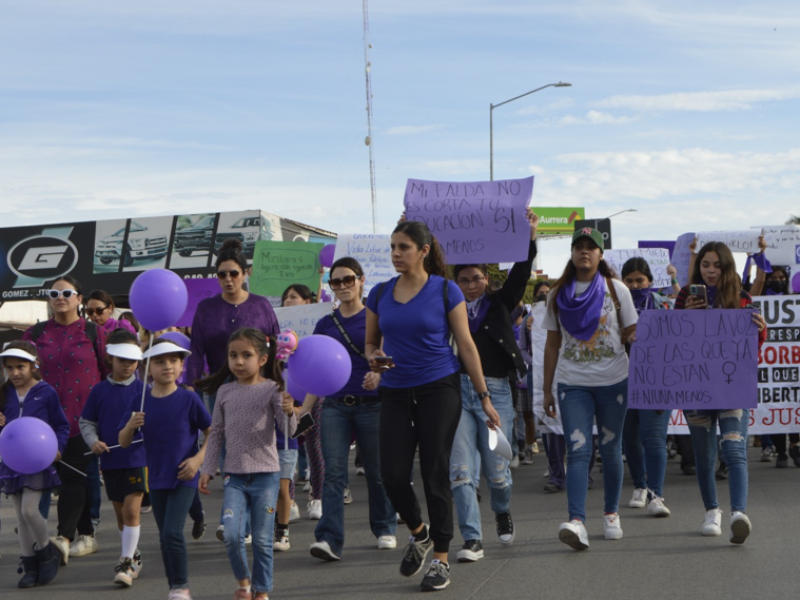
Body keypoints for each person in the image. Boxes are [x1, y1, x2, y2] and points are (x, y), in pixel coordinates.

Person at [365, 220, 500, 592]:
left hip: (438, 388)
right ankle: (420, 534)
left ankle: (440, 557)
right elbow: (370, 343)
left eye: (404, 247)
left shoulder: (446, 290)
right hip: (394, 390)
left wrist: (484, 396)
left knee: (434, 470)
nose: (396, 253)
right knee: (390, 475)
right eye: (393, 247)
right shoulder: (379, 293)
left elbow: (467, 345)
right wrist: (374, 358)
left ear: (423, 251)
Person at [448, 209, 538, 564]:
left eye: (475, 279)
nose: (470, 286)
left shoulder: (500, 303)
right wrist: (413, 223)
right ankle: (472, 539)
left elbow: (520, 273)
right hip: (457, 392)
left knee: (497, 474)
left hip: (497, 393)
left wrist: (530, 237)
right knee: (461, 472)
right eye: (463, 280)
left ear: (487, 280)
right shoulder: (446, 306)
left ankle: (501, 510)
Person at [542, 227, 638, 550]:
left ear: (600, 254)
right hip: (573, 385)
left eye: (591, 247)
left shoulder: (617, 290)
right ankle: (577, 521)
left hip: (614, 382)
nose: (585, 251)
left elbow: (633, 333)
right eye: (579, 246)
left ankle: (611, 514)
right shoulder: (557, 294)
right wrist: (545, 390)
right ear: (571, 253)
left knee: (611, 449)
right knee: (578, 450)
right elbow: (552, 345)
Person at [305, 257, 397, 562]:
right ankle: (328, 539)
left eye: (348, 280)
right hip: (333, 406)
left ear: (361, 280)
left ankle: (385, 527)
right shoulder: (324, 324)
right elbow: (316, 370)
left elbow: (390, 354)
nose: (343, 286)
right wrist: (304, 410)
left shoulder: (377, 316)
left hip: (372, 405)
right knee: (333, 473)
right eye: (336, 282)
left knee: (376, 471)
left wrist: (380, 373)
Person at [674, 241, 767, 543]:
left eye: (717, 265)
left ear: (727, 267)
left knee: (735, 449)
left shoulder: (742, 299)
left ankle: (739, 513)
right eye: (705, 264)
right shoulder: (686, 296)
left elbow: (750, 348)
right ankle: (712, 512)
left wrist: (761, 329)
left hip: (732, 386)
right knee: (704, 456)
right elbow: (673, 344)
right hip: (697, 385)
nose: (711, 270)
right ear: (698, 266)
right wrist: (685, 317)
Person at [187, 238, 279, 540]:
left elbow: (276, 346)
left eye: (234, 273)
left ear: (245, 273)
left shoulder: (261, 305)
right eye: (222, 274)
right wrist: (190, 384)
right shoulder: (206, 308)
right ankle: (232, 517)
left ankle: (250, 522)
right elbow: (196, 348)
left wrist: (278, 384)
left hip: (256, 387)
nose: (228, 279)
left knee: (252, 450)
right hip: (218, 387)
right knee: (223, 451)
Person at [197, 328, 296, 600]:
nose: (238, 361)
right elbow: (215, 432)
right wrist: (207, 469)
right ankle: (243, 583)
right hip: (234, 478)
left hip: (266, 476)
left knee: (263, 541)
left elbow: (289, 432)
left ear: (262, 359)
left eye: (246, 355)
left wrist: (289, 410)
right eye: (233, 355)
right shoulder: (225, 391)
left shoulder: (273, 389)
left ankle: (262, 592)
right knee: (231, 534)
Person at [22, 275, 109, 565]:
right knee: (70, 476)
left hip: (85, 418)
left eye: (67, 293)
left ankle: (64, 538)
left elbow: (109, 369)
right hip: (42, 420)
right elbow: (18, 372)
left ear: (79, 299)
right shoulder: (34, 334)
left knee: (73, 474)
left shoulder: (93, 332)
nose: (61, 297)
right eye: (54, 293)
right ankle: (87, 535)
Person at [119, 340, 212, 600]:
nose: (167, 366)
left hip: (185, 475)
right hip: (156, 476)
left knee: (172, 532)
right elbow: (124, 441)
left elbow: (212, 432)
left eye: (173, 360)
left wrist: (197, 460)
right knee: (164, 537)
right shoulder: (141, 400)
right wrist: (130, 424)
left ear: (182, 366)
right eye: (159, 361)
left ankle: (181, 587)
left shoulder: (189, 398)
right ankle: (174, 588)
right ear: (148, 369)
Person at [79, 329, 146, 586]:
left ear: (139, 360)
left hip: (138, 459)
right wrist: (93, 441)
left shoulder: (144, 390)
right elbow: (86, 422)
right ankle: (133, 553)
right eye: (121, 359)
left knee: (131, 511)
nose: (127, 364)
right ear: (110, 358)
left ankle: (127, 563)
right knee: (121, 515)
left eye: (132, 359)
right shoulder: (99, 391)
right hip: (109, 460)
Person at [0, 342, 69, 587]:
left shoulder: (46, 391)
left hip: (38, 459)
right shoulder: (4, 392)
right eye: (10, 368)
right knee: (20, 517)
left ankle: (46, 554)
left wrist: (58, 448)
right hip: (11, 460)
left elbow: (61, 425)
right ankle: (30, 565)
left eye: (21, 366)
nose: (15, 373)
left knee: (30, 510)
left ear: (33, 365)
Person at [619, 257, 672, 517]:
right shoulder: (613, 307)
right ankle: (639, 486)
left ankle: (655, 494)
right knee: (629, 436)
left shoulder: (664, 305)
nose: (635, 284)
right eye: (629, 280)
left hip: (657, 379)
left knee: (654, 437)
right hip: (622, 379)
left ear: (649, 280)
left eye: (640, 280)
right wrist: (624, 335)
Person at [280, 284, 325, 520]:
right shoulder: (278, 328)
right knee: (288, 446)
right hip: (287, 391)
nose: (288, 301)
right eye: (285, 297)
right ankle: (290, 501)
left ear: (307, 302)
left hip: (313, 390)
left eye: (294, 297)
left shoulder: (316, 327)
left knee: (313, 444)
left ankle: (317, 498)